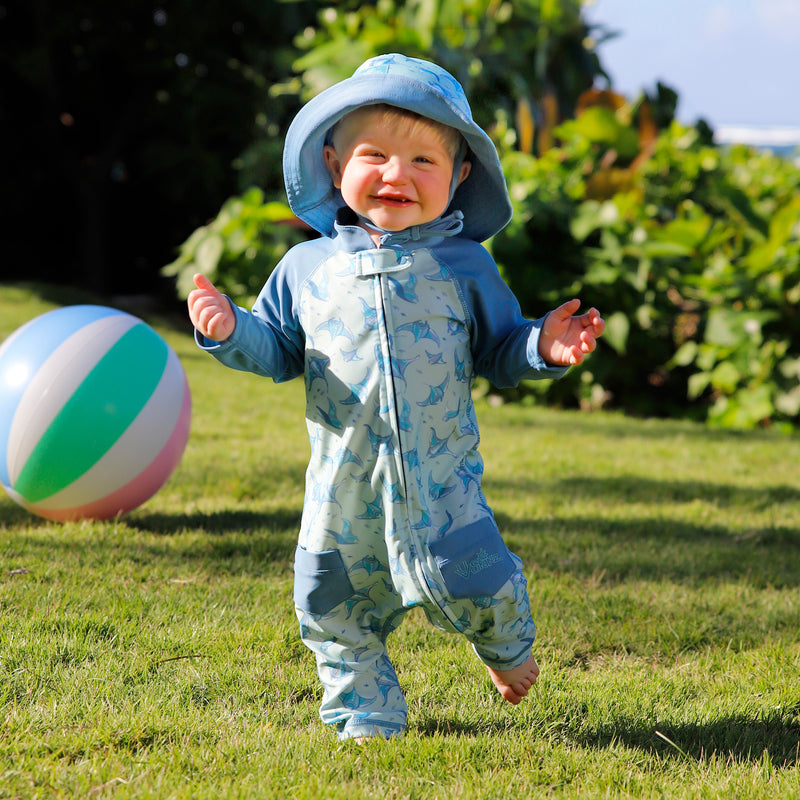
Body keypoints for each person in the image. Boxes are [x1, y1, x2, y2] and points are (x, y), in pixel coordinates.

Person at [188, 53, 605, 741]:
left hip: (441, 479)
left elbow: (501, 346)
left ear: (460, 175)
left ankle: (505, 647)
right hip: (343, 489)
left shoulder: (464, 266)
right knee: (328, 600)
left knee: (478, 578)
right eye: (374, 154)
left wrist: (544, 347)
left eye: (423, 162)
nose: (396, 175)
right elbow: (278, 348)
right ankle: (366, 710)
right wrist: (231, 330)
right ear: (333, 162)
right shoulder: (307, 269)